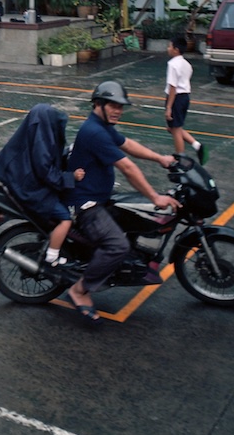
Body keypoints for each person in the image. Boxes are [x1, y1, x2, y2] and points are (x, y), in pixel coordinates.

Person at [62, 81, 179, 323]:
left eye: (120, 106)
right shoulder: (94, 131)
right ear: (98, 105)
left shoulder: (103, 126)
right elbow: (127, 166)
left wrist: (160, 158)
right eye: (113, 105)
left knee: (134, 219)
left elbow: (128, 145)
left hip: (101, 197)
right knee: (117, 245)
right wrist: (155, 197)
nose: (118, 111)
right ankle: (79, 289)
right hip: (85, 204)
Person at [0, 104, 85, 272]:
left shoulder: (31, 136)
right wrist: (71, 177)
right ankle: (52, 257)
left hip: (21, 184)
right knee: (66, 219)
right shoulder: (41, 141)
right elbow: (45, 170)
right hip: (31, 191)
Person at [164, 36, 208, 159]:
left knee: (176, 129)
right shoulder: (187, 64)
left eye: (169, 46)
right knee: (172, 128)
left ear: (176, 50)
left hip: (176, 98)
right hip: (185, 98)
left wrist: (168, 107)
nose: (168, 49)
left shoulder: (172, 64)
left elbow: (173, 86)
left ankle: (180, 158)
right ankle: (197, 146)